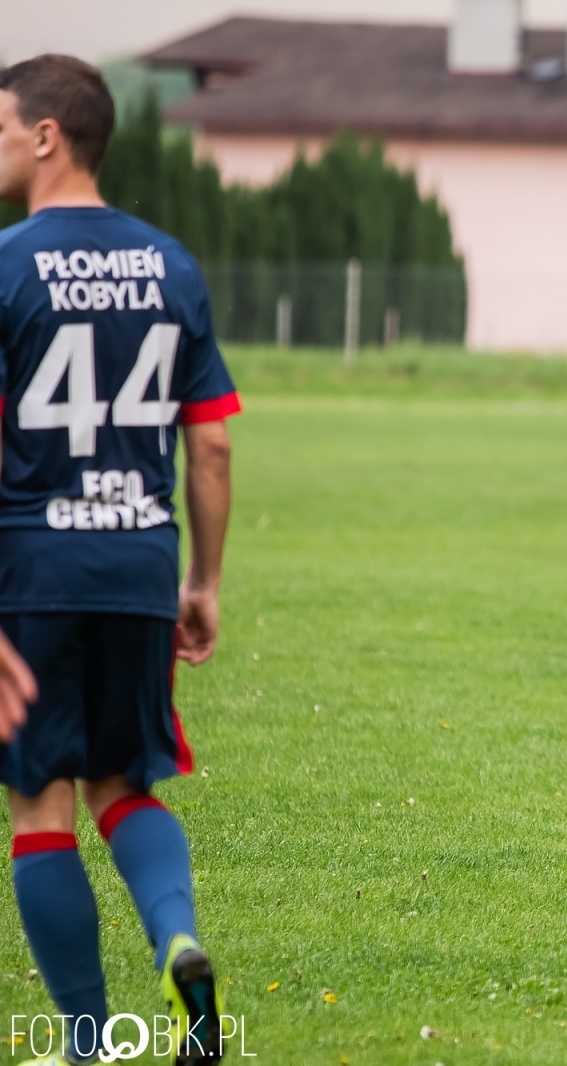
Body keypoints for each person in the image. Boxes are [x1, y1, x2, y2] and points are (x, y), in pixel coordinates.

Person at [0, 56, 240, 1064]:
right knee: (125, 784)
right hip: (140, 563)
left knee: (39, 801)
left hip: (32, 572)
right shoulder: (172, 265)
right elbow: (215, 441)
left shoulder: (7, 265)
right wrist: (204, 582)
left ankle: (90, 1040)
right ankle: (178, 938)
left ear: (47, 134)